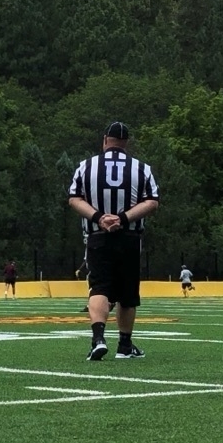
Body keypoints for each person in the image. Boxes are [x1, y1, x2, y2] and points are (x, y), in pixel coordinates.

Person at [67, 121, 160, 360]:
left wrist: (99, 218)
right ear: (126, 143)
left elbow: (74, 199)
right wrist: (122, 218)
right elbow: (152, 202)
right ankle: (125, 345)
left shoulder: (86, 166)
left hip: (98, 236)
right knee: (127, 293)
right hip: (129, 236)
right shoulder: (142, 168)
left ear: (105, 140)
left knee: (99, 287)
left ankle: (98, 339)